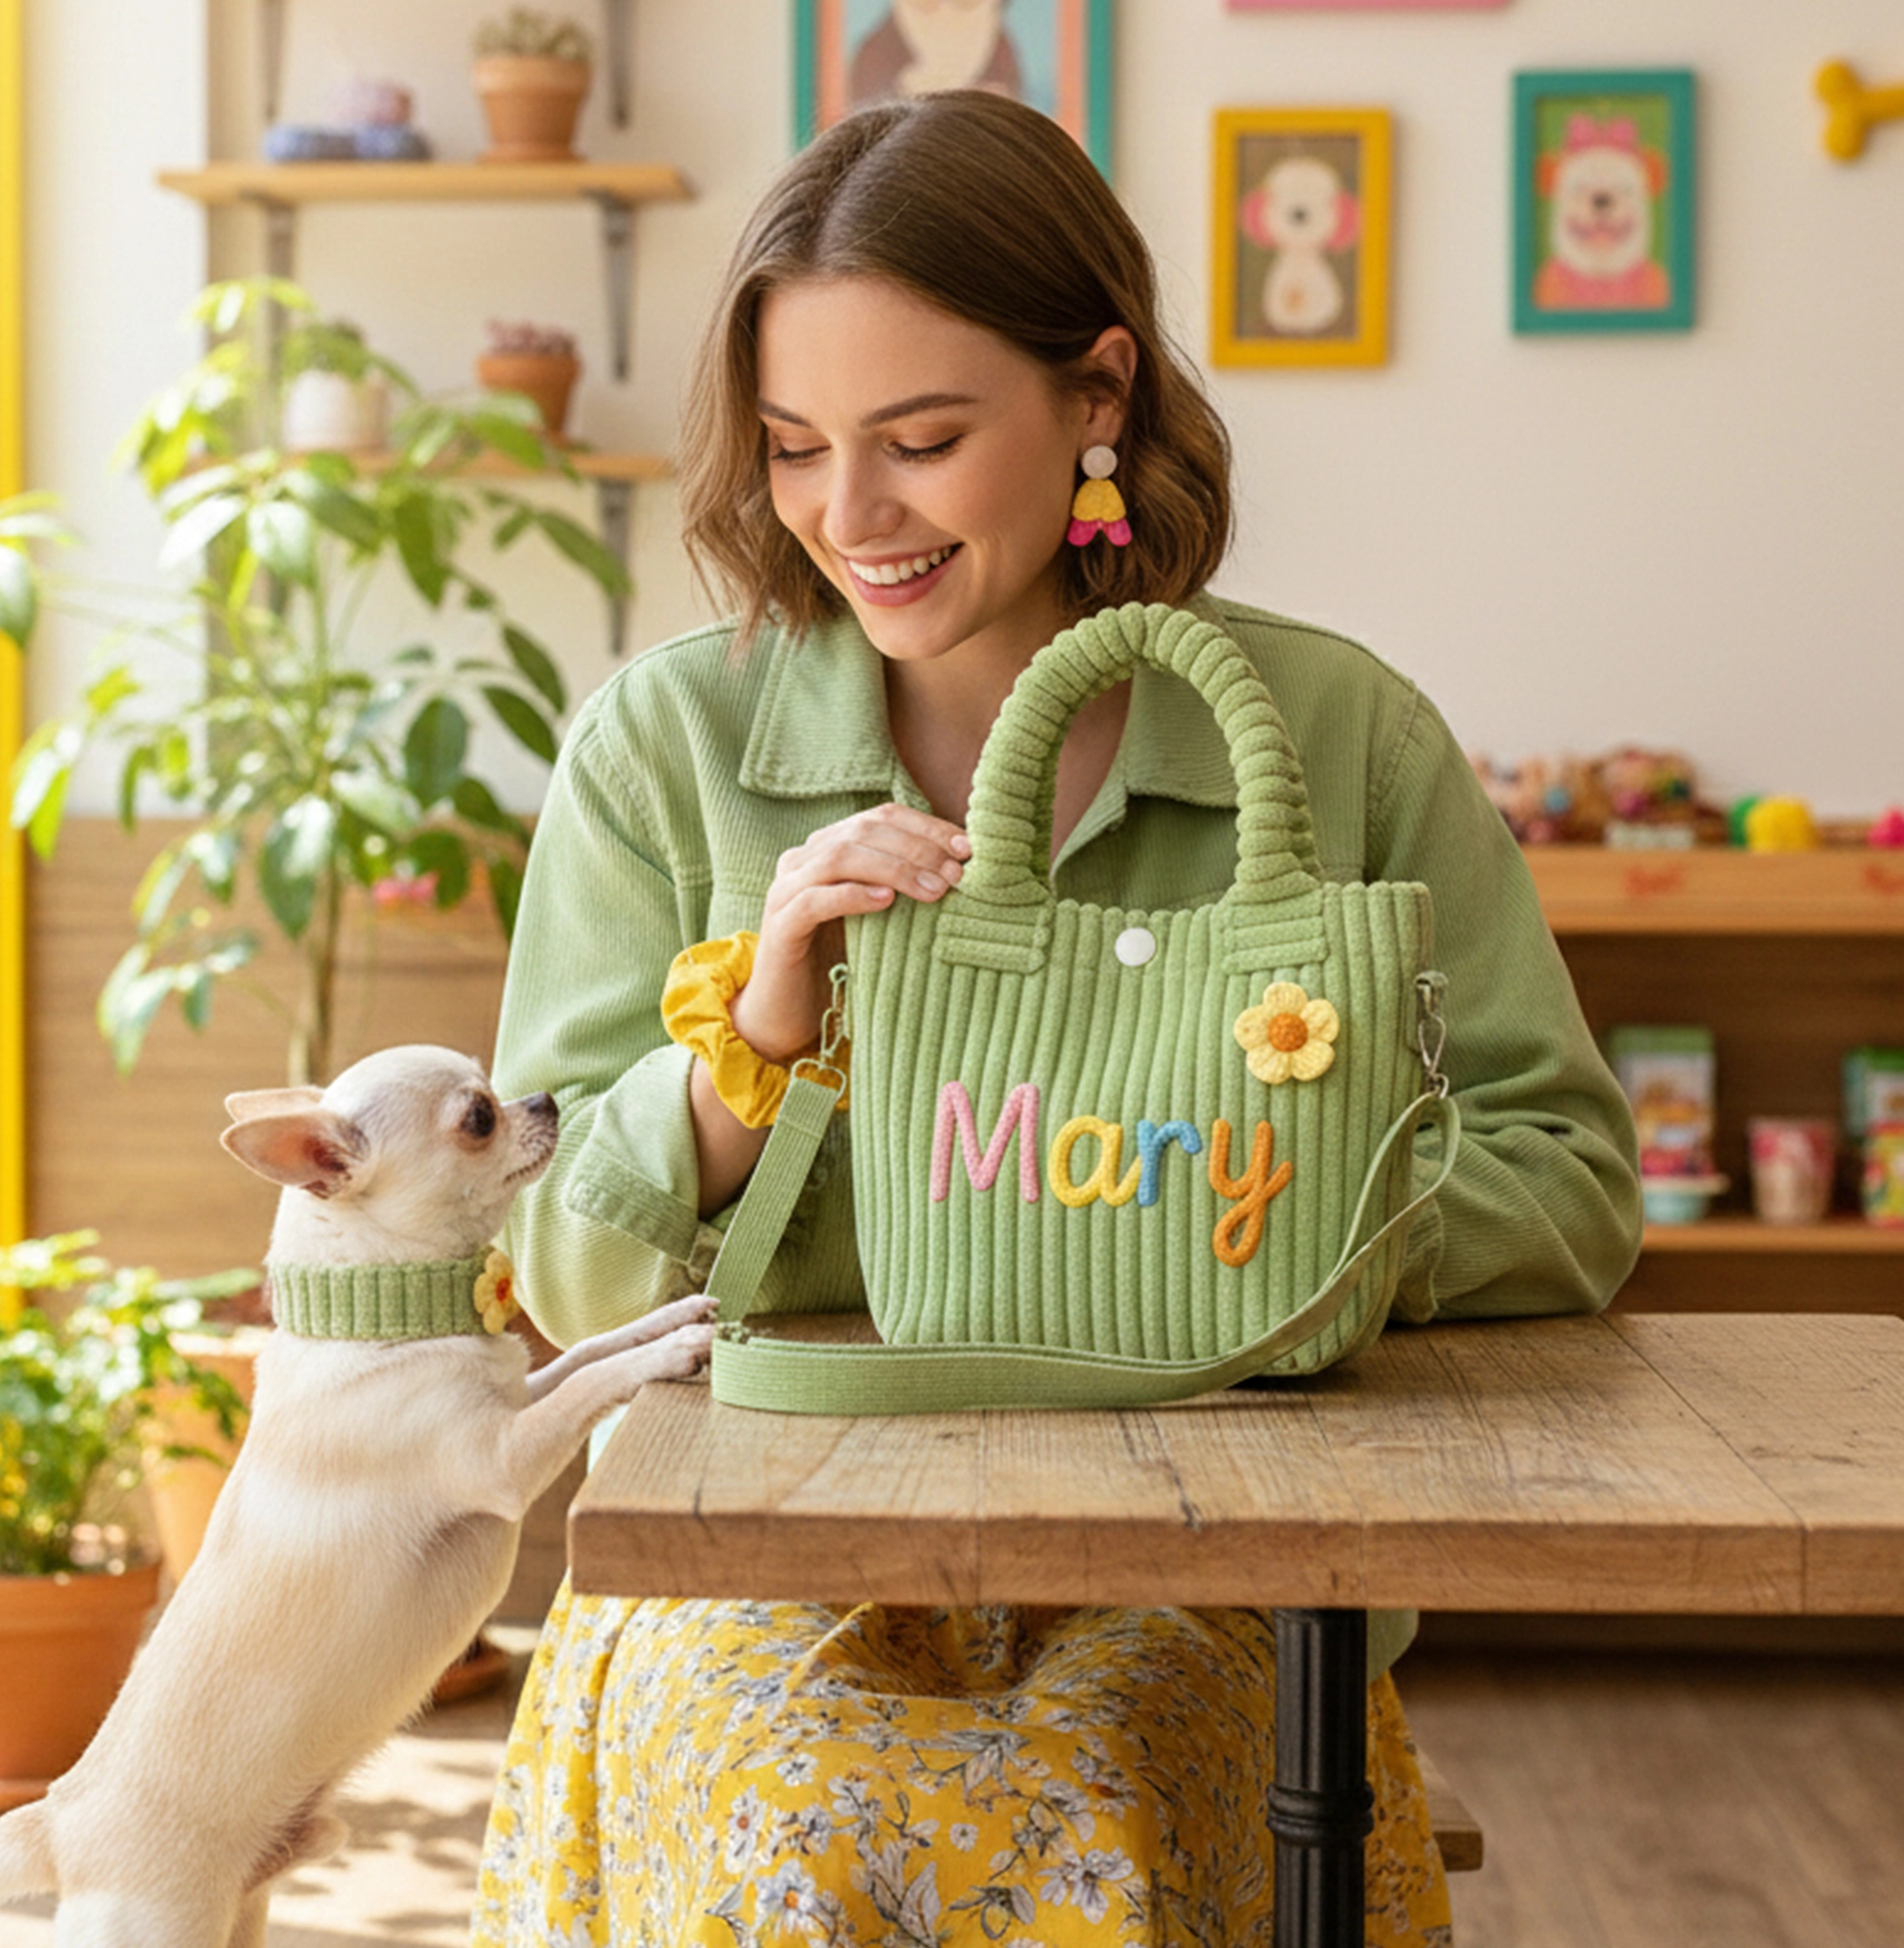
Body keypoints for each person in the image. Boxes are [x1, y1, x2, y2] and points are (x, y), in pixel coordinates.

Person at [472, 89, 1641, 1948]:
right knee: (817, 1839)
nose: (849, 517)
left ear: (1097, 396)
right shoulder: (664, 752)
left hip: (1220, 1563)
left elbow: (1570, 1177)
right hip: (756, 1561)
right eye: (791, 449)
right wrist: (750, 1052)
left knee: (1091, 1820)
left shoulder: (1339, 740)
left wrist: (1282, 1213)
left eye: (920, 440)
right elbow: (556, 1273)